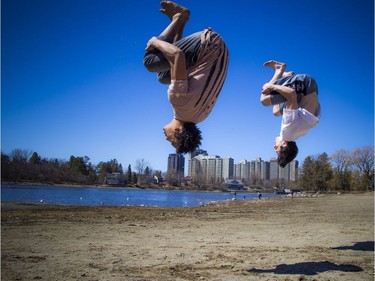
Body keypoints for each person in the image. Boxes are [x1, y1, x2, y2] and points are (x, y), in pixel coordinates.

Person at [144, 1, 229, 153]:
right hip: (208, 45)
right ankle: (178, 17)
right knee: (150, 62)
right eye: (171, 141)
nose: (166, 139)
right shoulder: (179, 102)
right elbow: (177, 54)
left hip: (217, 54)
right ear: (179, 131)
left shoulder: (199, 118)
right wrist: (155, 42)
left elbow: (176, 62)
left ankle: (180, 22)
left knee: (163, 77)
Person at [260, 60, 321, 167]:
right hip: (305, 86)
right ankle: (279, 70)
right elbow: (291, 94)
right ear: (284, 144)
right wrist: (271, 87)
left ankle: (287, 76)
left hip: (306, 94)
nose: (274, 147)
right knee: (264, 100)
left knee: (276, 112)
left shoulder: (295, 135)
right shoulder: (287, 132)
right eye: (276, 149)